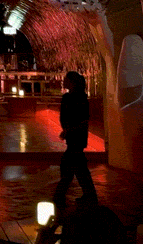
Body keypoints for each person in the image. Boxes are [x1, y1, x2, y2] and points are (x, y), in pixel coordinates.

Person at [52, 71, 97, 206]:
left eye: (66, 79)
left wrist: (68, 130)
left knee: (70, 167)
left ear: (72, 82)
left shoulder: (77, 99)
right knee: (78, 168)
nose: (63, 81)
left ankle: (60, 195)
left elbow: (82, 120)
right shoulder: (75, 98)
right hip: (75, 137)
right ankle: (89, 195)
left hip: (75, 137)